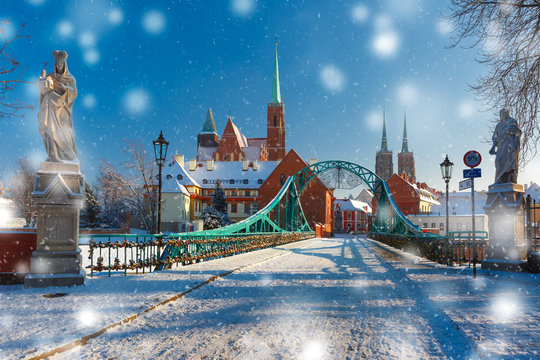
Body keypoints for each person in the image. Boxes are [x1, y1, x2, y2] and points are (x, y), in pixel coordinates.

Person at [37, 50, 78, 162]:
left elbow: (74, 94)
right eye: (57, 63)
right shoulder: (50, 76)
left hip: (63, 111)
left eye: (61, 63)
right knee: (51, 131)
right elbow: (42, 90)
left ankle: (66, 156)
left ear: (65, 65)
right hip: (50, 109)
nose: (59, 65)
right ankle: (53, 156)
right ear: (55, 65)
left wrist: (65, 88)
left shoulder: (70, 79)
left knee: (64, 133)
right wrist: (42, 81)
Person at [489, 108, 521, 183]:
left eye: (504, 113)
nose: (503, 115)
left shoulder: (512, 121)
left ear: (507, 113)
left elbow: (517, 132)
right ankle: (500, 179)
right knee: (499, 162)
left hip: (510, 147)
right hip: (501, 147)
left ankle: (510, 179)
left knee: (510, 163)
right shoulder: (499, 124)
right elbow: (495, 136)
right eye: (501, 114)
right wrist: (493, 146)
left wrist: (510, 130)